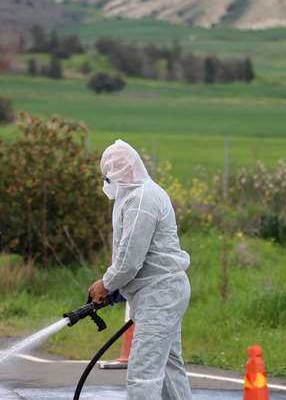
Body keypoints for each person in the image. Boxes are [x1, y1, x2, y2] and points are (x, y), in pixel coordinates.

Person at [88, 139, 193, 400]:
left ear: (112, 174)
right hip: (158, 292)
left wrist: (107, 283)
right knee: (169, 368)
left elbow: (130, 259)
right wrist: (117, 286)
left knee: (143, 375)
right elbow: (132, 257)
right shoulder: (135, 194)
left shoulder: (141, 199)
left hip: (160, 294)